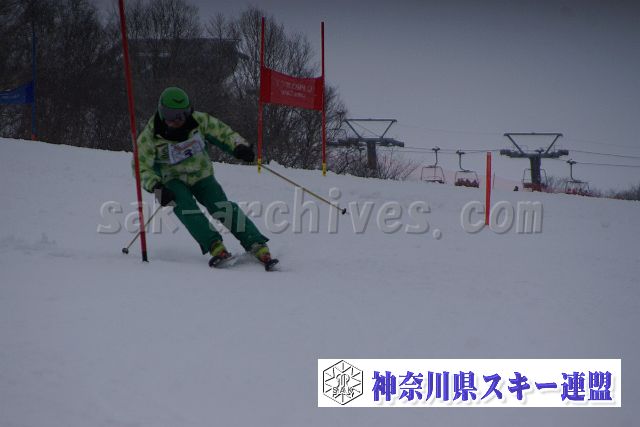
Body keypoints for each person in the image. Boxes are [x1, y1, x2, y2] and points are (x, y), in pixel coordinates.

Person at [135, 86, 273, 267]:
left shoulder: (199, 121)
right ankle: (214, 245)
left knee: (221, 206)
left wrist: (239, 146)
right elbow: (141, 166)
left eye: (182, 115)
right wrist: (156, 186)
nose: (176, 120)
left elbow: (223, 133)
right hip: (172, 179)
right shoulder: (150, 135)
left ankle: (255, 242)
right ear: (161, 112)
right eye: (170, 115)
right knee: (185, 207)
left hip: (202, 174)